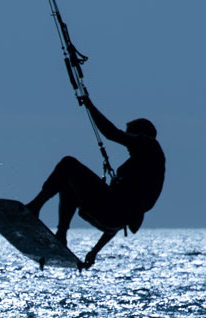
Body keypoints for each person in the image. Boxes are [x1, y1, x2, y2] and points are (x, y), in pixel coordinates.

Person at [25, 95, 165, 269]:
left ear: (142, 134)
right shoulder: (139, 167)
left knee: (68, 164)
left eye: (130, 134)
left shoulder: (150, 145)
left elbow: (111, 134)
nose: (127, 140)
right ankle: (61, 233)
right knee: (69, 182)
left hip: (112, 211)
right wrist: (95, 251)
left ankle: (36, 206)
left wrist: (90, 106)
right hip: (111, 216)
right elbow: (118, 223)